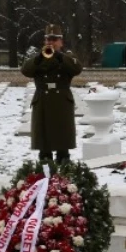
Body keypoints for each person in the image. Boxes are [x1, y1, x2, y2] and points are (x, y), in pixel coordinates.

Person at [20, 24, 82, 163]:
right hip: (43, 101)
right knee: (44, 144)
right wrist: (38, 59)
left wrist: (60, 56)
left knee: (62, 144)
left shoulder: (67, 57)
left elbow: (77, 68)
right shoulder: (38, 58)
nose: (50, 42)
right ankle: (45, 173)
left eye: (54, 39)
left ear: (61, 41)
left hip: (61, 102)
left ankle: (63, 172)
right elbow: (25, 71)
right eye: (48, 39)